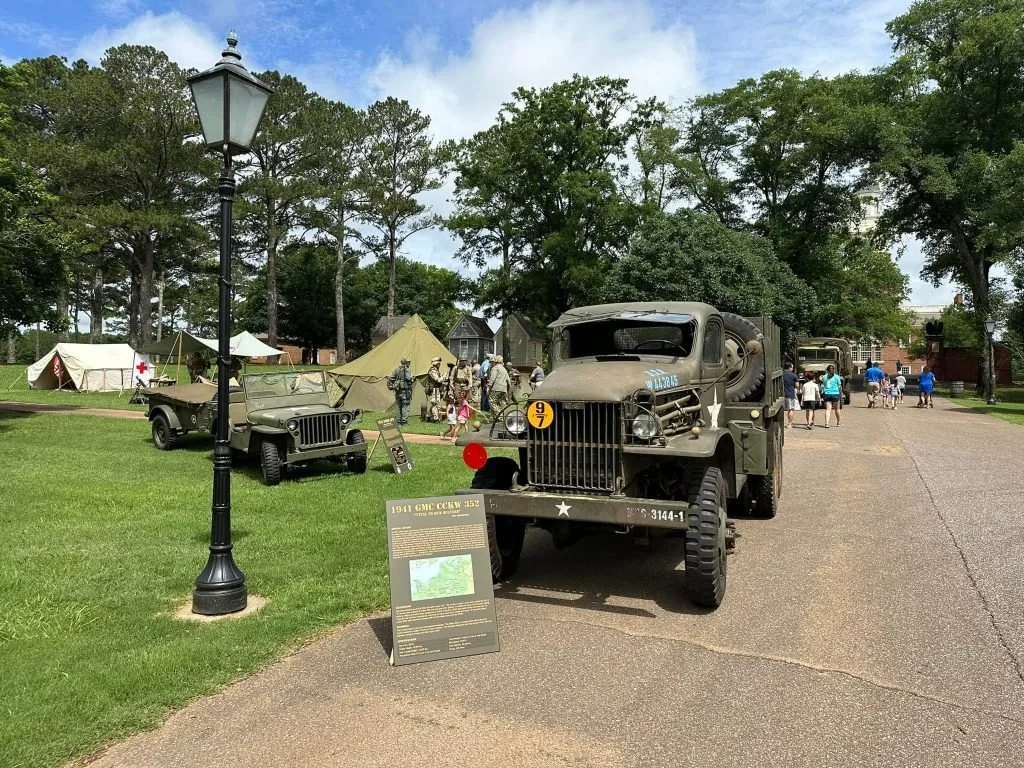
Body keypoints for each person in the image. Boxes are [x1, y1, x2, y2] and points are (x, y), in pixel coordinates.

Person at [387, 356, 414, 425]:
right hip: (405, 391)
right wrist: (412, 378)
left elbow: (391, 378)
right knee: (405, 406)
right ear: (406, 362)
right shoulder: (407, 370)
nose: (409, 363)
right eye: (409, 362)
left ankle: (398, 421)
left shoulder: (396, 369)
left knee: (398, 406)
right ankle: (404, 421)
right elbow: (409, 378)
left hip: (398, 391)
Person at [426, 357, 445, 422]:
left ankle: (428, 416)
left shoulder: (436, 370)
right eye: (438, 363)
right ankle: (435, 418)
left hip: (437, 389)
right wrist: (444, 376)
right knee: (435, 403)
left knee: (435, 403)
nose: (439, 364)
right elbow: (438, 380)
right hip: (434, 389)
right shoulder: (432, 371)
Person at [783, 362, 800, 430]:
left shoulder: (781, 374)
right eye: (792, 367)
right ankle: (789, 424)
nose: (792, 369)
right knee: (790, 410)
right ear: (789, 367)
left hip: (780, 394)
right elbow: (797, 385)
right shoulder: (794, 375)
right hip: (790, 394)